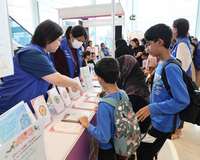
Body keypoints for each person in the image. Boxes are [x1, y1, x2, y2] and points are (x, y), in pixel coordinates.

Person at [0, 20, 82, 114]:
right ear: (48, 38)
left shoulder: (42, 54)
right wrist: (75, 84)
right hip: (12, 109)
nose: (59, 44)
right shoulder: (31, 54)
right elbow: (57, 79)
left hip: (26, 109)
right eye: (58, 40)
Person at [136, 24, 190, 160]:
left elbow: (182, 100)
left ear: (160, 42)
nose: (147, 47)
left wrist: (152, 107)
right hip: (157, 120)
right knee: (144, 149)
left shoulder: (171, 67)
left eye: (149, 43)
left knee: (143, 151)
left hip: (164, 124)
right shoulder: (161, 63)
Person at [79, 58, 124, 160]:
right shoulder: (122, 93)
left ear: (100, 79)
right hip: (119, 143)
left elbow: (104, 137)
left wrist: (87, 125)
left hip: (108, 150)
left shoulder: (104, 105)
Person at [117, 55, 150, 133]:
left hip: (137, 133)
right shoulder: (136, 81)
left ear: (126, 68)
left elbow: (123, 117)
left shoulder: (134, 92)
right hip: (137, 126)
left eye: (120, 68)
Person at [171, 18, 192, 139]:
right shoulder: (180, 42)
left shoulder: (182, 44)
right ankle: (177, 129)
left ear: (178, 29)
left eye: (173, 27)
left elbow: (182, 65)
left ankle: (177, 130)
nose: (172, 30)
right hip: (180, 80)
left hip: (180, 81)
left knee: (179, 104)